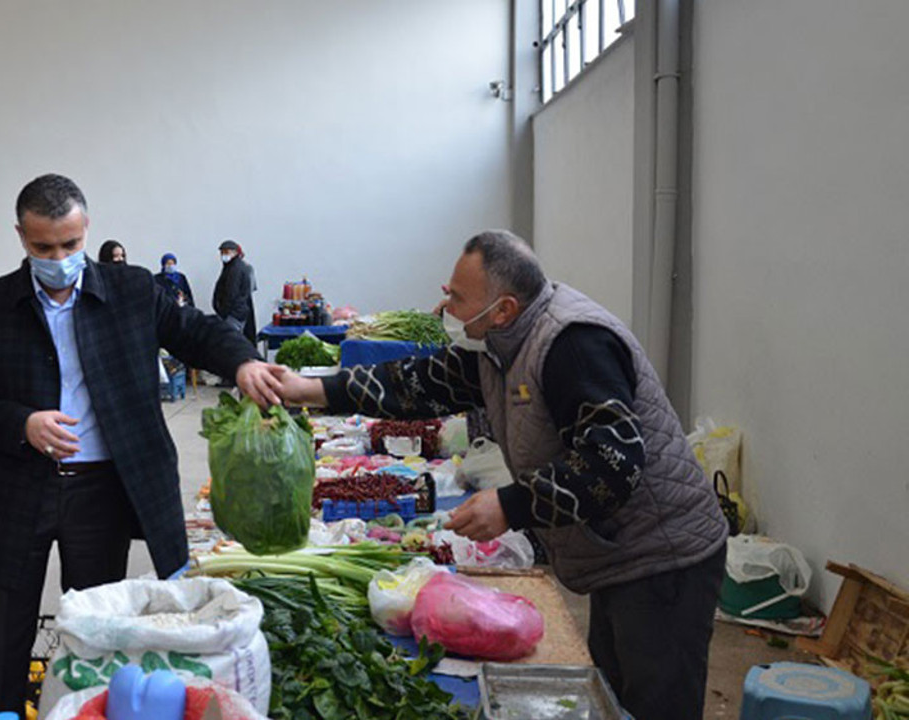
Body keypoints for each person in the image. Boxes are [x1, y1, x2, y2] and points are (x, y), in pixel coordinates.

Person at [272, 230, 729, 720]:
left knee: (655, 702)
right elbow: (417, 383)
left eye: (457, 297)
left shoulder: (573, 345)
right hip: (618, 555)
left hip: (663, 558)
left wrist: (510, 506)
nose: (444, 306)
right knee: (613, 699)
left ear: (505, 308)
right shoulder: (500, 344)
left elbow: (610, 465)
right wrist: (311, 389)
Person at [0, 174, 282, 717]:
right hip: (19, 490)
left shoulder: (130, 291)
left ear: (87, 230)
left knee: (95, 634)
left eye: (71, 244)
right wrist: (23, 423)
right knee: (4, 636)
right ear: (20, 237)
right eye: (43, 247)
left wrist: (242, 361)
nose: (59, 258)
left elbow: (195, 330)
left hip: (100, 494)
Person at [212, 239, 256, 344]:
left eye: (227, 252)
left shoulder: (235, 269)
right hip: (237, 312)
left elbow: (231, 293)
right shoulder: (235, 267)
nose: (224, 255)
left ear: (235, 252)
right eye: (222, 253)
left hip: (233, 314)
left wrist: (223, 312)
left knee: (231, 343)